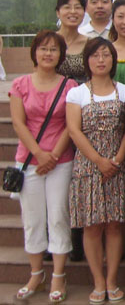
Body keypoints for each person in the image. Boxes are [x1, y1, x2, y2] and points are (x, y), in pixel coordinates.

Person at [67, 37, 125, 304]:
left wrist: (116, 160)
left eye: (106, 55)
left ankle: (112, 280)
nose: (101, 60)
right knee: (92, 226)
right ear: (87, 60)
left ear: (113, 60)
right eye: (95, 55)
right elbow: (74, 131)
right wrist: (98, 161)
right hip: (88, 166)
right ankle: (98, 281)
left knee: (115, 225)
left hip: (119, 165)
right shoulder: (77, 93)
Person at [10, 30, 77, 303]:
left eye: (53, 49)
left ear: (61, 55)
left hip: (61, 161)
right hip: (28, 161)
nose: (48, 54)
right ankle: (36, 274)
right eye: (43, 48)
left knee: (58, 216)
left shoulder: (70, 86)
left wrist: (54, 155)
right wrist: (39, 153)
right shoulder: (20, 84)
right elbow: (18, 123)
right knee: (32, 218)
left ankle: (59, 276)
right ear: (34, 52)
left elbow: (71, 125)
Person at [56, 0, 90, 85]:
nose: (73, 11)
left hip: (84, 92)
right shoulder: (47, 42)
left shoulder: (91, 44)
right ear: (58, 13)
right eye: (67, 7)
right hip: (52, 92)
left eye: (78, 7)